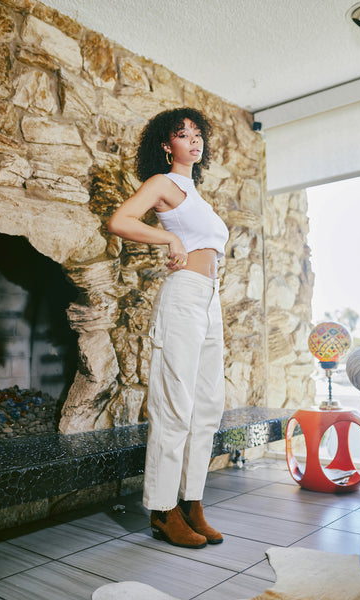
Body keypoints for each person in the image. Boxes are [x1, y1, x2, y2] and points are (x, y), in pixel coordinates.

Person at [108, 107, 229, 549]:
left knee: (207, 405)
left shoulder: (198, 196)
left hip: (210, 300)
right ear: (166, 144)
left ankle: (192, 501)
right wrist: (169, 239)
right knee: (175, 405)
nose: (193, 141)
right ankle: (162, 509)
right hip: (182, 297)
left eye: (198, 134)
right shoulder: (164, 184)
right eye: (183, 134)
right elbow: (120, 221)